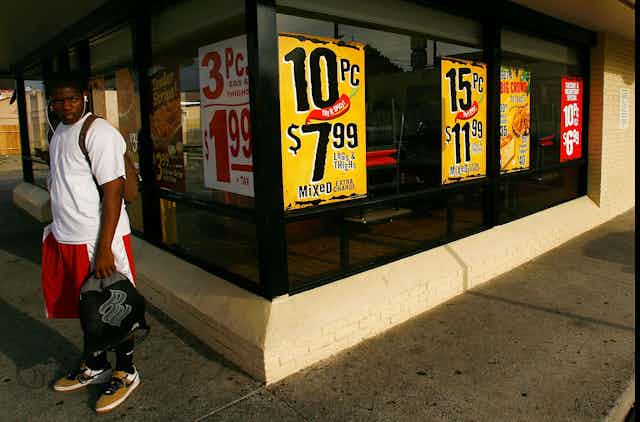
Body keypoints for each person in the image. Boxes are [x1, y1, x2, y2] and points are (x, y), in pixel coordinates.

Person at [41, 72, 140, 413]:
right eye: (58, 100)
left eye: (71, 98)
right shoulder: (59, 132)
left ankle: (126, 371)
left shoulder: (97, 132)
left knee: (115, 307)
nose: (65, 106)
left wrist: (103, 250)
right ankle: (95, 364)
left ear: (83, 95)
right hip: (69, 236)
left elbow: (114, 192)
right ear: (50, 102)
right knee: (89, 310)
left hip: (97, 240)